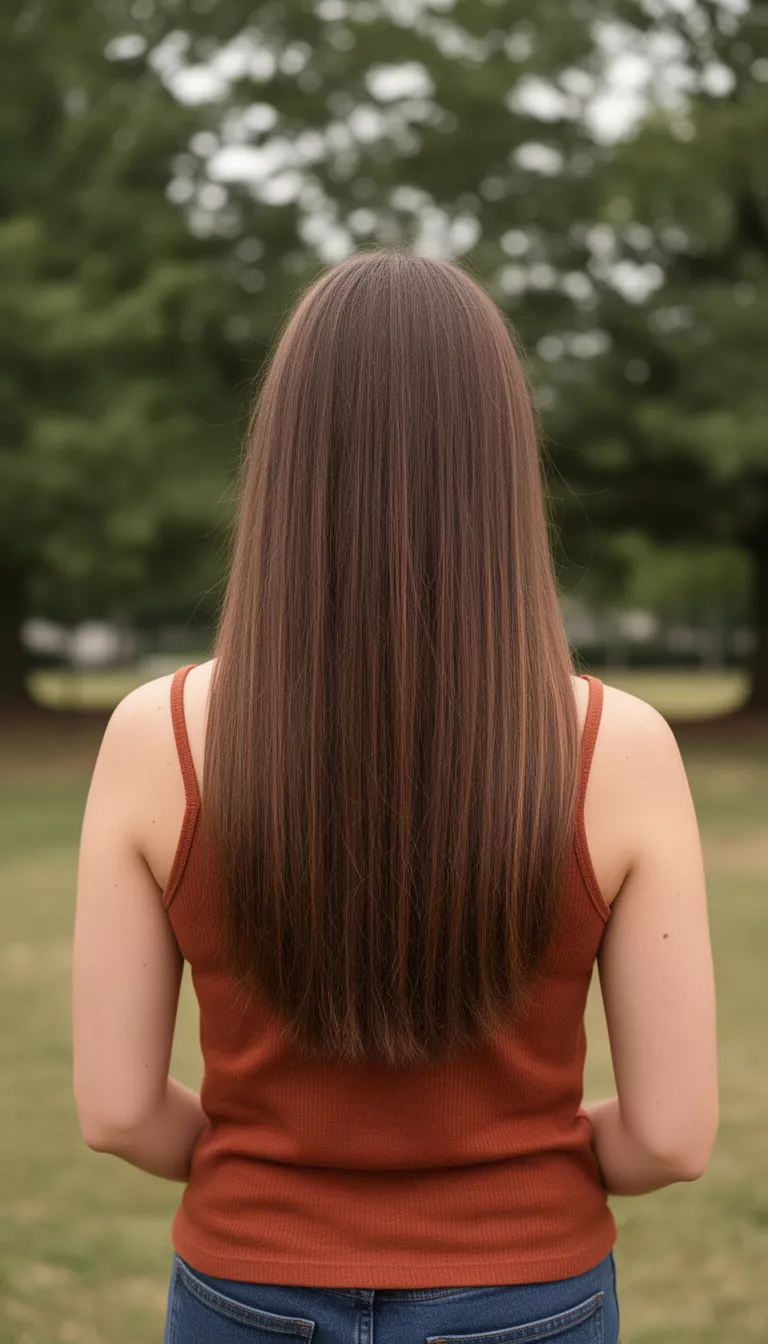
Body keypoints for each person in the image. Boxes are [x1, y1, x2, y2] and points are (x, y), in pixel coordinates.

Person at [72, 248, 718, 1344]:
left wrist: (275, 1169)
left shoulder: (157, 736)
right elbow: (670, 1140)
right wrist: (512, 1169)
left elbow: (119, 1110)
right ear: (502, 465)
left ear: (283, 458)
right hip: (529, 1294)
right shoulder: (621, 748)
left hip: (246, 1291)